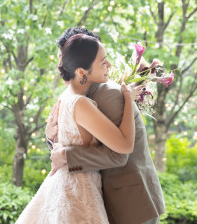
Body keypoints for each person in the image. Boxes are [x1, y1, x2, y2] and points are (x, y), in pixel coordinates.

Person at [16, 33, 143, 224]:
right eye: (103, 62)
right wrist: (127, 98)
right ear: (82, 72)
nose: (109, 66)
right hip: (79, 191)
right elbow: (125, 145)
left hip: (65, 184)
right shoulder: (81, 103)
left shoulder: (65, 95)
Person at [46, 27, 165, 224]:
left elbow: (120, 153)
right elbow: (72, 134)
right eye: (62, 56)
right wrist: (51, 139)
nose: (62, 64)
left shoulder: (107, 93)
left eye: (64, 56)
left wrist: (67, 156)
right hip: (90, 195)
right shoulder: (76, 93)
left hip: (128, 201)